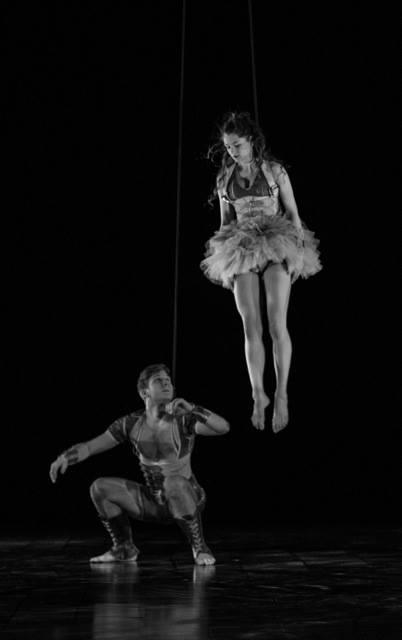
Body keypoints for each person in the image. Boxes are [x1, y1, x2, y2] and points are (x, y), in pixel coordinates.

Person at [201, 112, 322, 433]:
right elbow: (225, 222)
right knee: (250, 325)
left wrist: (297, 254)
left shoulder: (274, 171)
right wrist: (223, 262)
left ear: (251, 141)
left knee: (276, 322)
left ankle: (281, 394)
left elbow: (293, 213)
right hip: (241, 247)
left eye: (237, 145)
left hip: (275, 241)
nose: (232, 152)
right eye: (228, 147)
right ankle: (258, 394)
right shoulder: (225, 178)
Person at [49, 363, 229, 566]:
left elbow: (223, 428)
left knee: (173, 483)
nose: (166, 383)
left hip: (188, 497)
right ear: (144, 392)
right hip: (153, 502)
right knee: (99, 488)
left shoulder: (183, 419)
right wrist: (65, 457)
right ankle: (124, 548)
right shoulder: (131, 423)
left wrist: (193, 409)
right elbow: (90, 447)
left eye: (168, 380)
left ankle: (200, 547)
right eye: (158, 381)